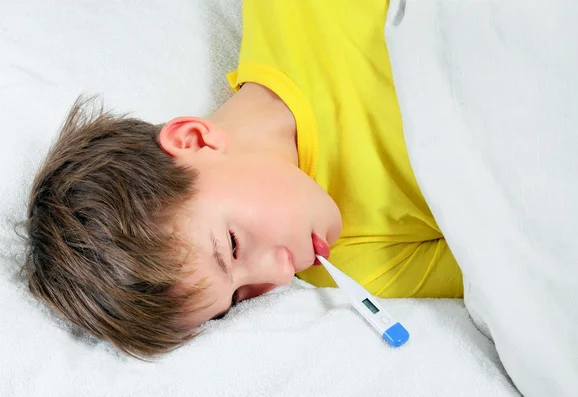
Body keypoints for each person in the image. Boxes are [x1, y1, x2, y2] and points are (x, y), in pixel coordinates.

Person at [24, 0, 462, 358]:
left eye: (232, 245)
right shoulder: (349, 265)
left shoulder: (294, 12)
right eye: (239, 298)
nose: (284, 271)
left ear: (194, 139)